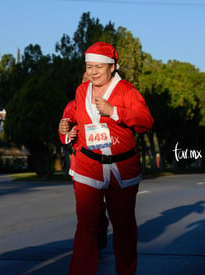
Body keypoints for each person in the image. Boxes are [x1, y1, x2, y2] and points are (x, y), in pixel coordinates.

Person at [59, 41, 153, 275]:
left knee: (124, 227)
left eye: (98, 67)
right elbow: (75, 117)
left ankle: (126, 270)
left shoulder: (127, 91)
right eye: (89, 67)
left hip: (122, 166)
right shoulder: (82, 91)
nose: (92, 72)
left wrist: (114, 112)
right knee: (86, 226)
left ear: (112, 67)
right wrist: (68, 129)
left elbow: (146, 122)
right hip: (88, 164)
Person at [58, 72, 109, 250]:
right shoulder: (74, 104)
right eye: (84, 79)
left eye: (92, 79)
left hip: (108, 161)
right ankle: (90, 239)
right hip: (82, 162)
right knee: (87, 205)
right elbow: (65, 123)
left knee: (100, 203)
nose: (87, 82)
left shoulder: (108, 102)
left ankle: (101, 225)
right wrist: (67, 131)